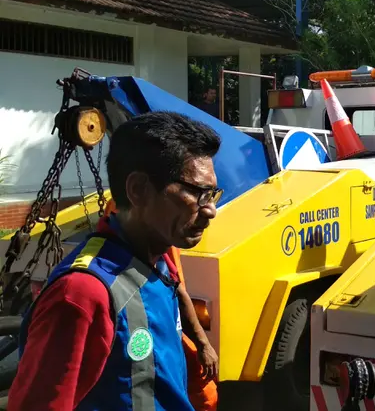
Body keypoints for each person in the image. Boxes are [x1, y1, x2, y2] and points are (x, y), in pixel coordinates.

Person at [9, 111, 223, 410]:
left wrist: (201, 343)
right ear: (138, 190)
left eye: (212, 193)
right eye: (197, 193)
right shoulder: (81, 295)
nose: (211, 210)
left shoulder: (158, 259)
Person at [104, 200, 220, 410]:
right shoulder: (101, 281)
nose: (210, 211)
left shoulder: (160, 246)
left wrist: (203, 344)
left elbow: (177, 288)